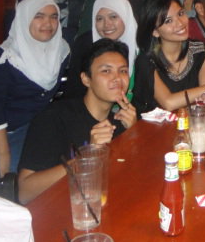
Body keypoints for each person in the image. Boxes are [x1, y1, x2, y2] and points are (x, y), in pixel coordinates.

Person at [17, 38, 137, 204]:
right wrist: (87, 157)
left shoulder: (122, 121)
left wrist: (134, 134)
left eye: (123, 71)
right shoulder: (54, 117)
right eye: (106, 71)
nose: (117, 78)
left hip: (104, 205)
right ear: (86, 79)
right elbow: (25, 192)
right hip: (60, 210)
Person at [0, 0, 70, 185]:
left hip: (28, 128)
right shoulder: (5, 57)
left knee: (39, 183)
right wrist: (4, 155)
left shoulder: (61, 50)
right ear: (24, 19)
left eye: (54, 17)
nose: (48, 23)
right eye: (38, 16)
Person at [132, 0, 205, 114]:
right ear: (155, 32)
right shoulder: (146, 60)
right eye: (169, 21)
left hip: (188, 121)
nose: (180, 23)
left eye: (181, 14)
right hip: (151, 125)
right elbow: (168, 103)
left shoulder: (200, 51)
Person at [67, 0, 138, 100]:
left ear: (125, 15)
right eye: (99, 19)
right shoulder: (85, 44)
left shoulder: (142, 45)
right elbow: (74, 90)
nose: (106, 24)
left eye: (113, 17)